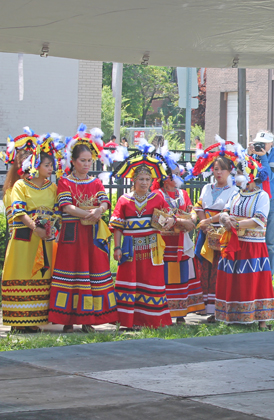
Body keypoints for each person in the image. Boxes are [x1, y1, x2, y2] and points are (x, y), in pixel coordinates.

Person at [48, 124, 118, 333]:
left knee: (91, 273)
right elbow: (66, 207)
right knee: (70, 273)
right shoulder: (64, 182)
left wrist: (100, 210)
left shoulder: (95, 182)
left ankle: (89, 319)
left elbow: (104, 201)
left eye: (90, 160)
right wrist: (91, 213)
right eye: (83, 161)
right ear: (73, 161)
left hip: (91, 235)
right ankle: (68, 320)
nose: (87, 164)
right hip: (72, 235)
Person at [1, 131, 62, 333]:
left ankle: (35, 319)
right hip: (24, 239)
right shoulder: (19, 186)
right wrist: (35, 227)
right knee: (22, 274)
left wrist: (52, 228)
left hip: (45, 239)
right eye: (46, 165)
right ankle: (19, 321)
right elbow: (18, 212)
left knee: (42, 276)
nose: (50, 168)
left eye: (51, 165)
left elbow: (58, 211)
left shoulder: (52, 187)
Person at [110, 149, 174, 329]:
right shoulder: (124, 200)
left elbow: (168, 217)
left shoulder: (157, 198)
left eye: (148, 179)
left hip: (152, 247)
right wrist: (117, 248)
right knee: (130, 281)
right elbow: (117, 227)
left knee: (151, 281)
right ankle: (128, 321)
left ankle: (152, 321)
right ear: (133, 180)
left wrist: (169, 221)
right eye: (141, 179)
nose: (145, 182)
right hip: (130, 247)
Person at [216, 153, 274, 329]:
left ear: (250, 176)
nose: (235, 177)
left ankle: (261, 319)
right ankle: (233, 316)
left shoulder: (262, 196)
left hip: (252, 247)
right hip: (234, 243)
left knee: (254, 281)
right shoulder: (236, 194)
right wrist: (225, 219)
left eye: (239, 173)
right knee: (234, 280)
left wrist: (235, 224)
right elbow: (225, 211)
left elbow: (259, 220)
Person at [151, 154, 205, 324]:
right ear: (165, 178)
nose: (178, 177)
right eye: (175, 174)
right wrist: (176, 222)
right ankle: (165, 311)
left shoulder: (183, 194)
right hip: (164, 243)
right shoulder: (157, 195)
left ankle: (181, 312)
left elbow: (192, 214)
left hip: (181, 242)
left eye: (179, 173)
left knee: (182, 275)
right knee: (165, 276)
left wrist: (183, 220)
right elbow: (154, 219)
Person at [191, 139, 239, 321]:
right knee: (203, 265)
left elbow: (226, 211)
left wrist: (209, 223)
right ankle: (201, 304)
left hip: (220, 233)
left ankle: (215, 305)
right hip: (206, 231)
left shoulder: (233, 190)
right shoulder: (206, 188)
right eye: (216, 169)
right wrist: (203, 225)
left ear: (230, 171)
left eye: (222, 169)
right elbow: (199, 206)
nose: (218, 172)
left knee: (218, 267)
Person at [248, 130, 274, 276]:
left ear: (271, 143)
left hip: (273, 201)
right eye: (258, 143)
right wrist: (248, 153)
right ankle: (253, 277)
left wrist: (263, 158)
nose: (260, 146)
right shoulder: (252, 153)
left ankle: (267, 280)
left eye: (264, 144)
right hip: (255, 199)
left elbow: (267, 176)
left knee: (270, 244)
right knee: (252, 240)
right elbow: (243, 173)